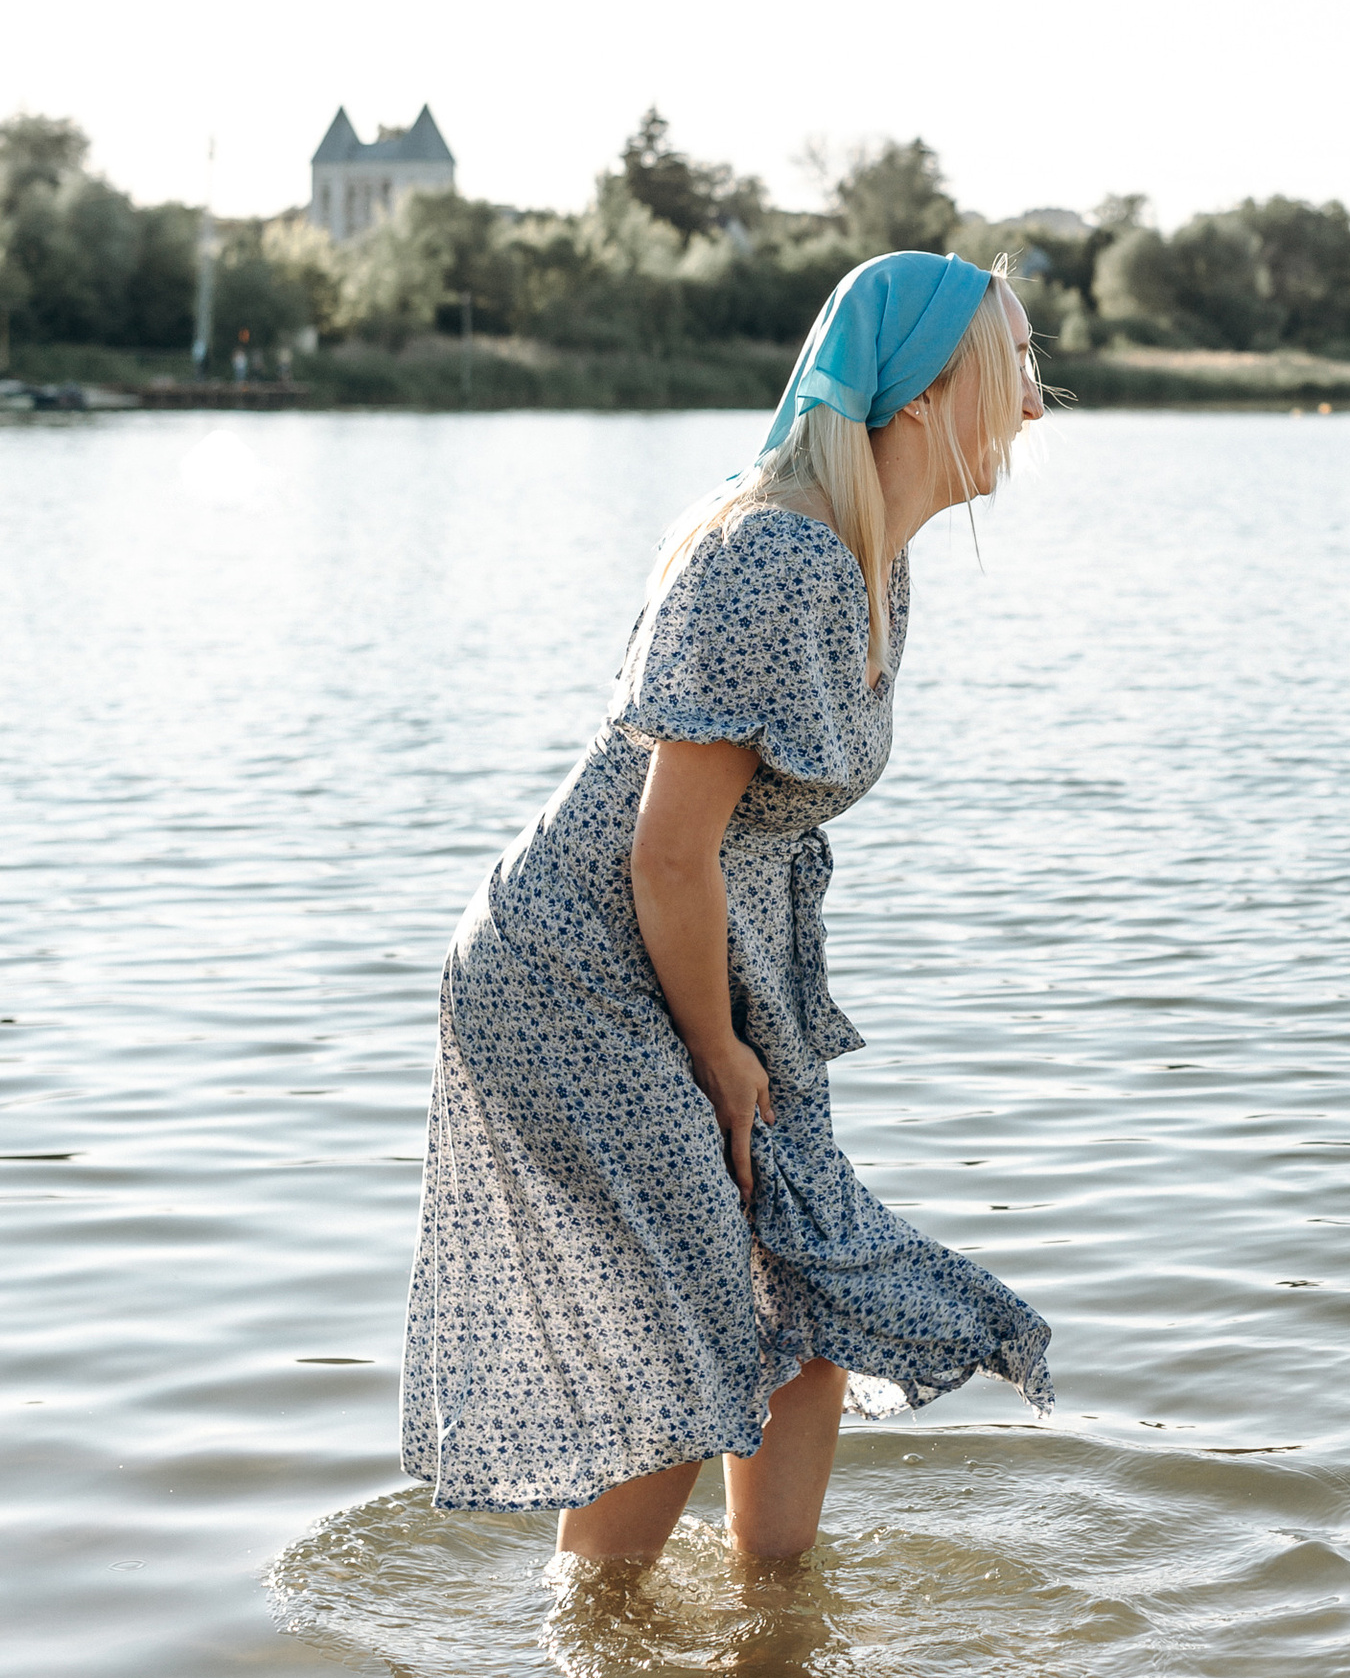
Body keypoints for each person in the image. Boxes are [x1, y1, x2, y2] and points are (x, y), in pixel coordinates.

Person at [401, 250, 1055, 1566]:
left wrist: (752, 1034)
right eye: (1017, 371)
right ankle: (592, 1660)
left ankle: (772, 1652)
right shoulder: (780, 552)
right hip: (580, 973)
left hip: (712, 958)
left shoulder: (869, 556)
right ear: (928, 395)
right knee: (699, 1339)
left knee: (805, 1306)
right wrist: (721, 1055)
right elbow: (663, 852)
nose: (1037, 406)